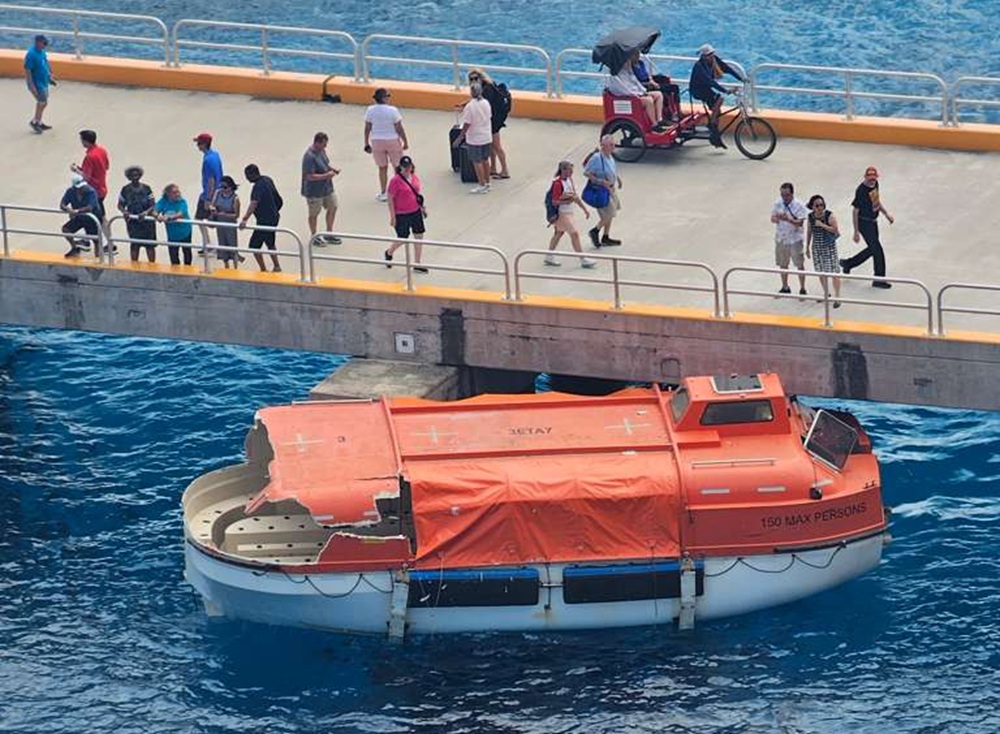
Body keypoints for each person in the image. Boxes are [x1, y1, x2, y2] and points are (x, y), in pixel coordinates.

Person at [840, 166, 896, 289]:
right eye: (869, 178)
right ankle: (878, 280)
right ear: (865, 177)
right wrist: (856, 231)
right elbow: (855, 211)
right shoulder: (861, 190)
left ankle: (848, 263)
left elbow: (876, 201)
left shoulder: (875, 184)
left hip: (873, 222)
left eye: (874, 178)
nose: (872, 180)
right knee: (878, 251)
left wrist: (886, 214)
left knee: (873, 249)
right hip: (864, 224)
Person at [690, 44, 744, 149]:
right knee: (720, 98)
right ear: (703, 56)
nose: (712, 56)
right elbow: (710, 82)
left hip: (706, 88)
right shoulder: (699, 66)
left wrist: (741, 78)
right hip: (698, 90)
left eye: (712, 54)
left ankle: (713, 127)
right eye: (709, 55)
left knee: (717, 110)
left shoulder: (714, 60)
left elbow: (726, 68)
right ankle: (713, 129)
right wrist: (726, 90)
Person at [544, 161, 595, 269]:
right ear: (563, 170)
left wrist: (584, 209)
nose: (571, 173)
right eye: (569, 170)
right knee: (574, 233)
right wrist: (566, 201)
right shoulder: (557, 183)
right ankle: (583, 259)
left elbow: (574, 197)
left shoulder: (569, 180)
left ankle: (549, 255)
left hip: (569, 212)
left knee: (559, 233)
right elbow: (555, 201)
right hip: (562, 213)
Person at [383, 155, 428, 273]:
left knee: (419, 235)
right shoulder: (395, 181)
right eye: (405, 167)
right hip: (402, 213)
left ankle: (417, 263)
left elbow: (417, 194)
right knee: (403, 238)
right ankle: (389, 252)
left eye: (409, 166)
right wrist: (393, 216)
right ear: (401, 167)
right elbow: (390, 198)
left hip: (415, 211)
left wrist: (422, 208)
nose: (407, 169)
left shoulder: (414, 177)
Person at [364, 88, 409, 202]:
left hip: (377, 141)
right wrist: (405, 141)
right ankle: (398, 191)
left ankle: (384, 192)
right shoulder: (393, 110)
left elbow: (367, 128)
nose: (389, 97)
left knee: (382, 168)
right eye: (388, 95)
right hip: (392, 140)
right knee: (397, 167)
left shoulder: (370, 110)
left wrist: (366, 143)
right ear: (384, 98)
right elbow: (399, 128)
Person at [467, 68, 511, 179]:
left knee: (497, 146)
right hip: (491, 120)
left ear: (481, 78)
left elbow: (482, 102)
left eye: (475, 78)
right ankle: (493, 168)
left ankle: (505, 170)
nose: (473, 81)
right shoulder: (486, 87)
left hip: (494, 122)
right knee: (491, 146)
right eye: (471, 79)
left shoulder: (488, 89)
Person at [240, 164, 283, 273]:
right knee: (270, 243)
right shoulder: (267, 179)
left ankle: (263, 269)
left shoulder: (257, 187)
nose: (246, 178)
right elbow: (278, 198)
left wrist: (245, 218)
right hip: (273, 217)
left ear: (252, 174)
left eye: (247, 176)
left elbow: (254, 203)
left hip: (265, 221)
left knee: (254, 246)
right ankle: (277, 266)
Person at [452, 81, 493, 194]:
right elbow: (489, 116)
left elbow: (467, 124)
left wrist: (460, 137)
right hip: (487, 136)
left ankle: (481, 184)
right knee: (485, 160)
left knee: (477, 161)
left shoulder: (470, 107)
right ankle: (488, 183)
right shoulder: (486, 103)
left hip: (475, 138)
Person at [607, 51, 665, 131]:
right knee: (649, 100)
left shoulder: (628, 71)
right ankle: (654, 124)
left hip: (637, 94)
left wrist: (643, 91)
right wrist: (638, 95)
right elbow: (624, 90)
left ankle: (659, 119)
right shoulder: (616, 77)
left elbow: (636, 83)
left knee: (658, 94)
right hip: (629, 98)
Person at [70, 129, 111, 243]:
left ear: (85, 141)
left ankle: (95, 241)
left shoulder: (89, 157)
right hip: (102, 188)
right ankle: (105, 240)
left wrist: (76, 170)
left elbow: (86, 178)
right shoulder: (101, 151)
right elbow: (106, 166)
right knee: (99, 216)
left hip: (93, 191)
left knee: (92, 217)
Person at [583, 135, 623, 249]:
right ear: (603, 145)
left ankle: (605, 237)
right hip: (601, 190)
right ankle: (595, 231)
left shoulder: (609, 156)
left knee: (611, 212)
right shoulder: (596, 158)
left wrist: (618, 179)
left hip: (610, 189)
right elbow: (586, 172)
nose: (613, 147)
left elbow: (612, 169)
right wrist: (600, 181)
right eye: (611, 145)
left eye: (613, 144)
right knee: (610, 213)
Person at [301, 132, 341, 246]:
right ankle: (314, 236)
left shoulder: (322, 151)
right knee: (314, 213)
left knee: (333, 206)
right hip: (314, 191)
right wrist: (326, 176)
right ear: (317, 143)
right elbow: (308, 176)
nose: (325, 146)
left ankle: (329, 233)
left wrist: (333, 169)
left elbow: (325, 164)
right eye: (324, 144)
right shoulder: (309, 156)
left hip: (327, 188)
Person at [770, 182, 809, 295]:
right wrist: (777, 218)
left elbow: (800, 223)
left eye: (786, 195)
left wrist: (788, 219)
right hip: (781, 238)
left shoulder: (799, 205)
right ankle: (785, 286)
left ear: (792, 193)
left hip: (795, 239)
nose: (784, 197)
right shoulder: (778, 203)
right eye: (782, 194)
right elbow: (772, 218)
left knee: (799, 264)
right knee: (783, 263)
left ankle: (802, 288)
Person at [806, 194, 843, 308]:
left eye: (822, 205)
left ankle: (837, 297)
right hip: (817, 248)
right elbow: (809, 231)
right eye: (817, 205)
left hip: (829, 248)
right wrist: (807, 246)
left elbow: (835, 230)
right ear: (812, 206)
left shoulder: (829, 215)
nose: (820, 207)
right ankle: (826, 293)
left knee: (834, 273)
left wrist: (822, 225)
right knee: (821, 272)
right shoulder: (811, 217)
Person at [116, 165, 157, 263]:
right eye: (132, 175)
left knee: (150, 246)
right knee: (134, 245)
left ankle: (152, 266)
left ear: (140, 176)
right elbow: (120, 205)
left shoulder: (147, 188)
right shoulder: (125, 189)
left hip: (147, 222)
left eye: (137, 175)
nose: (135, 177)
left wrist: (146, 213)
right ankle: (134, 266)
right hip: (133, 222)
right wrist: (124, 212)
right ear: (129, 177)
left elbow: (153, 204)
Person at [193, 132, 223, 249]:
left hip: (209, 194)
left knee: (200, 219)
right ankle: (212, 243)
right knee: (212, 220)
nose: (197, 146)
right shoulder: (215, 155)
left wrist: (208, 199)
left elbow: (211, 180)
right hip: (217, 192)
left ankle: (208, 244)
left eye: (199, 143)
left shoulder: (207, 160)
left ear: (204, 144)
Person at [60, 174, 100, 258]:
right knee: (66, 229)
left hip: (91, 218)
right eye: (78, 187)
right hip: (79, 217)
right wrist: (68, 209)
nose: (81, 188)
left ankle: (98, 256)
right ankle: (74, 249)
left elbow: (90, 207)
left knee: (96, 239)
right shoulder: (70, 191)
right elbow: (62, 204)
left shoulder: (91, 191)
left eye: (82, 186)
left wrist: (76, 211)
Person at [631, 53, 680, 123]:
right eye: (635, 54)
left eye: (637, 54)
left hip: (650, 83)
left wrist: (652, 81)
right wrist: (649, 84)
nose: (637, 56)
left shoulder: (641, 63)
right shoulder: (631, 68)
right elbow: (636, 82)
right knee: (663, 92)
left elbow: (648, 75)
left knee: (674, 87)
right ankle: (670, 114)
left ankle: (676, 110)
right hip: (643, 86)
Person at [155, 184, 193, 266]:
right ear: (168, 194)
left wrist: (170, 217)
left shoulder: (182, 201)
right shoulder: (163, 201)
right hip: (172, 235)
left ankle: (188, 270)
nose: (178, 194)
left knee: (187, 252)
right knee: (173, 255)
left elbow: (181, 213)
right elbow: (155, 210)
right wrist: (157, 216)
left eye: (178, 192)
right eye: (174, 192)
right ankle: (176, 272)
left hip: (185, 232)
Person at [209, 175, 241, 269]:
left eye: (225, 187)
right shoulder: (218, 193)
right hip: (220, 224)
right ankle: (226, 266)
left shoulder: (235, 199)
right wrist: (213, 209)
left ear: (231, 187)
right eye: (221, 186)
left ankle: (235, 268)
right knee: (222, 244)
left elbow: (236, 215)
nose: (222, 189)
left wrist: (224, 214)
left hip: (230, 225)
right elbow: (212, 204)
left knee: (232, 246)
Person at [24, 35, 54, 133]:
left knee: (44, 102)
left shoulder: (42, 51)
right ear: (38, 42)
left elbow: (46, 62)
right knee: (42, 102)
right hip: (37, 84)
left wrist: (50, 75)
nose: (45, 45)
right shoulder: (31, 54)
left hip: (44, 81)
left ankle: (39, 122)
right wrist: (32, 86)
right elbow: (28, 71)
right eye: (44, 43)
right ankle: (35, 122)